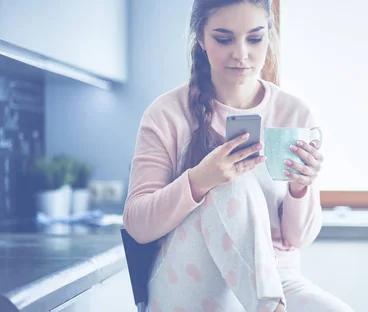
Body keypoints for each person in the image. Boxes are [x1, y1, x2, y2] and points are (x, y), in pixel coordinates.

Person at [123, 1, 355, 311]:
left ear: (269, 37)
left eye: (254, 38)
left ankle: (269, 304)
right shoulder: (165, 114)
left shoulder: (294, 112)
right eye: (224, 38)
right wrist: (200, 179)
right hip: (189, 278)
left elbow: (297, 239)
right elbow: (138, 224)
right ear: (201, 40)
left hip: (275, 276)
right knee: (233, 184)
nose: (241, 53)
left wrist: (302, 188)